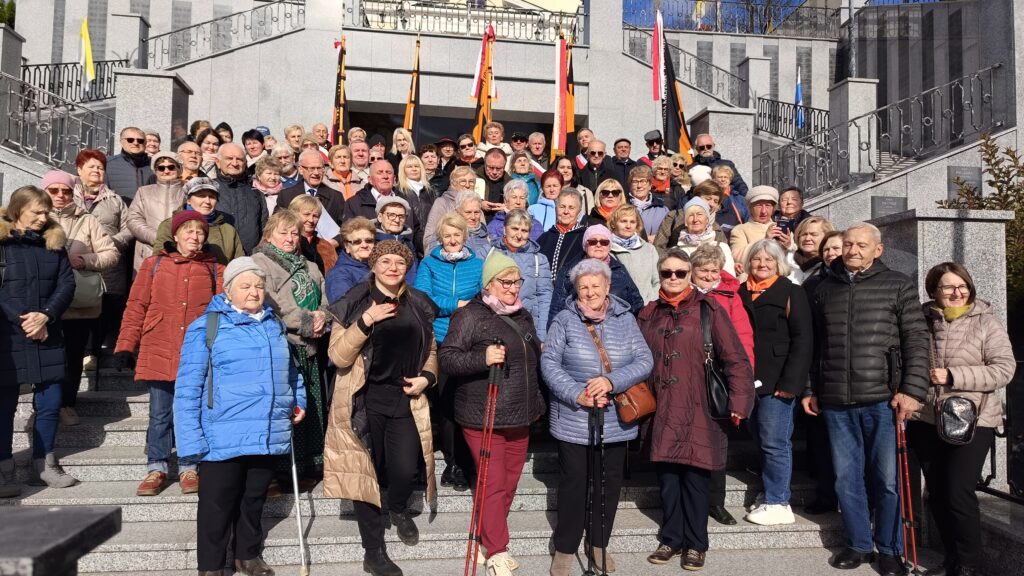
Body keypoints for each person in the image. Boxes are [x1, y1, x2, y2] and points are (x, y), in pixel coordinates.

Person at [803, 223, 929, 575]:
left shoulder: (898, 284)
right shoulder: (823, 288)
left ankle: (890, 549)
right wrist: (811, 389)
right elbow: (815, 345)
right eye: (848, 244)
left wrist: (912, 390)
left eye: (861, 245)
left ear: (878, 250)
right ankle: (859, 544)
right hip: (836, 401)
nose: (853, 250)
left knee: (888, 480)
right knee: (846, 479)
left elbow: (916, 341)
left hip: (884, 400)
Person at [175, 257, 306, 576]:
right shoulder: (207, 326)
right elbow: (187, 387)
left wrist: (297, 401)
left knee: (253, 499)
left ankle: (247, 555)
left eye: (259, 286)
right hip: (223, 433)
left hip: (265, 431)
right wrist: (191, 442)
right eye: (245, 286)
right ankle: (210, 566)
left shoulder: (273, 324)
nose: (254, 291)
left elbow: (290, 372)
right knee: (216, 506)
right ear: (228, 290)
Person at [323, 240, 438, 576]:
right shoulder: (356, 300)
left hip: (404, 398)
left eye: (399, 262)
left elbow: (431, 348)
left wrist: (427, 377)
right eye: (385, 261)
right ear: (373, 265)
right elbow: (338, 356)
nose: (392, 267)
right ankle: (373, 552)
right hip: (363, 400)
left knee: (404, 471)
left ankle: (399, 507)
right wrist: (365, 321)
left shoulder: (417, 303)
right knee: (366, 477)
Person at [638, 247, 755, 570]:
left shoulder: (709, 309)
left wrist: (740, 400)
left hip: (699, 407)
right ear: (659, 275)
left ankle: (696, 543)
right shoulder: (649, 313)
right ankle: (672, 538)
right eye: (667, 273)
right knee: (668, 477)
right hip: (660, 409)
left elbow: (734, 357)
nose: (673, 278)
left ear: (690, 275)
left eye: (680, 273)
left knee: (695, 478)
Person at [542, 258, 654, 576]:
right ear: (576, 290)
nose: (590, 292)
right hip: (574, 417)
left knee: (608, 484)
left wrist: (611, 381)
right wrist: (577, 393)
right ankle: (565, 548)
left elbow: (644, 360)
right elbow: (549, 363)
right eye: (583, 287)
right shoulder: (564, 320)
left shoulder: (625, 319)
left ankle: (598, 543)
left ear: (607, 287)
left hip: (615, 419)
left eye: (596, 286)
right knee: (574, 484)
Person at [438, 252, 546, 576]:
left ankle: (488, 539)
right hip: (484, 413)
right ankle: (498, 551)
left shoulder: (523, 315)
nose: (513, 288)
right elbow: (447, 358)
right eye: (506, 282)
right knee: (493, 482)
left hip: (520, 413)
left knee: (509, 484)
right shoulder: (470, 316)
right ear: (489, 284)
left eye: (517, 282)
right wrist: (482, 358)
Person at [909, 262, 1016, 576]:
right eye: (948, 287)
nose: (956, 292)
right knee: (938, 492)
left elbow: (1004, 369)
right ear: (934, 291)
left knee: (958, 491)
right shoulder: (923, 320)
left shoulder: (986, 322)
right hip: (927, 417)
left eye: (962, 286)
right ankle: (951, 559)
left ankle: (969, 564)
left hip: (972, 419)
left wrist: (953, 375)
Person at [116, 210, 223, 496]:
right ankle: (156, 466)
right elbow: (136, 305)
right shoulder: (154, 264)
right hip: (159, 345)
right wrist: (126, 344)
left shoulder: (215, 269)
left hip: (197, 352)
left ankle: (189, 466)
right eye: (188, 231)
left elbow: (223, 313)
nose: (195, 236)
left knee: (191, 412)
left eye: (199, 232)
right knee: (160, 413)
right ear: (175, 235)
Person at [0, 186, 78, 496]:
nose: (44, 217)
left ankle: (44, 464)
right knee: (4, 406)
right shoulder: (2, 245)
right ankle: (3, 469)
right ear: (18, 210)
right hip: (8, 337)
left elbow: (66, 283)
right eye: (37, 212)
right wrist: (27, 320)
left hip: (48, 331)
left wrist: (46, 316)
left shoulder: (54, 244)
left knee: (50, 402)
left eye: (46, 212)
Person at [737, 239, 813, 526]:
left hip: (778, 380)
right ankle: (771, 491)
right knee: (758, 435)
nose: (762, 264)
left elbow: (803, 340)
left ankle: (778, 501)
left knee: (774, 441)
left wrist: (792, 382)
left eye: (769, 260)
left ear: (779, 263)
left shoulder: (791, 292)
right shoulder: (741, 292)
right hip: (748, 379)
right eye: (756, 259)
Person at [252, 211, 330, 490]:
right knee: (290, 406)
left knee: (313, 404)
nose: (289, 238)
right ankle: (285, 468)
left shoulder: (310, 266)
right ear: (270, 234)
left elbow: (324, 300)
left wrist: (322, 318)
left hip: (312, 345)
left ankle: (312, 461)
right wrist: (308, 321)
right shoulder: (260, 262)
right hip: (284, 345)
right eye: (283, 232)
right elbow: (272, 305)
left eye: (294, 233)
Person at [414, 213, 484, 492]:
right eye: (447, 236)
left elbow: (482, 297)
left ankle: (469, 461)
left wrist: (468, 307)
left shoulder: (478, 264)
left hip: (469, 340)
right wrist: (457, 304)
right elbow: (423, 299)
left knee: (468, 402)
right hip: (441, 338)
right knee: (445, 404)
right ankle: (452, 462)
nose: (453, 240)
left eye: (457, 235)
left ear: (465, 237)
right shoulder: (429, 264)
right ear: (440, 238)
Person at [690, 242, 756, 527]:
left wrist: (745, 377)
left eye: (712, 270)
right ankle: (690, 499)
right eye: (702, 269)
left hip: (717, 374)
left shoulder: (730, 294)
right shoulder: (680, 291)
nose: (707, 274)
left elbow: (743, 337)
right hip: (687, 372)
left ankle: (715, 501)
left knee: (717, 438)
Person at [44, 171, 118, 427]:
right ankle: (43, 408)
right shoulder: (34, 218)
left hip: (78, 303)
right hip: (43, 302)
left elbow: (110, 254)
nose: (60, 196)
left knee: (73, 356)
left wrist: (85, 260)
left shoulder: (87, 221)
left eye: (65, 190)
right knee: (44, 357)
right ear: (44, 192)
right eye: (54, 191)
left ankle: (67, 404)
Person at [799, 229, 843, 517]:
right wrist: (808, 387)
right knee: (822, 442)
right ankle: (826, 495)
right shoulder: (812, 285)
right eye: (827, 249)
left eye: (836, 248)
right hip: (820, 372)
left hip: (855, 376)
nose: (830, 254)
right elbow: (807, 337)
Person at [75, 149, 132, 352]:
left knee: (106, 309)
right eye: (91, 166)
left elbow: (128, 228)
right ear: (79, 169)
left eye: (100, 167)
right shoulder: (67, 196)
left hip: (108, 265)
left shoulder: (114, 200)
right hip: (76, 262)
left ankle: (97, 353)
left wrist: (111, 243)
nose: (97, 170)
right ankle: (81, 352)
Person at [549, 224, 644, 322]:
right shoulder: (568, 271)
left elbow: (637, 305)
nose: (598, 245)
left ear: (609, 246)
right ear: (585, 245)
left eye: (604, 242)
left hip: (615, 330)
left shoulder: (620, 270)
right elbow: (556, 309)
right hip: (578, 330)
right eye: (593, 242)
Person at [488, 209, 553, 340]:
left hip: (526, 327)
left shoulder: (539, 260)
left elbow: (544, 299)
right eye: (515, 228)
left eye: (524, 231)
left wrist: (541, 337)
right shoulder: (487, 253)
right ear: (505, 229)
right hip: (492, 324)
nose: (519, 235)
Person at [154, 177, 245, 265]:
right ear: (188, 200)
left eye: (212, 197)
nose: (207, 201)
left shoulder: (228, 229)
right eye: (201, 196)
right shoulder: (170, 225)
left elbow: (240, 263)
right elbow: (160, 262)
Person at [127, 152, 186, 273]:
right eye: (161, 167)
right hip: (148, 252)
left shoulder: (188, 193)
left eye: (171, 167)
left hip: (181, 252)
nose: (166, 171)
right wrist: (158, 237)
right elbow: (133, 220)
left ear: (179, 169)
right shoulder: (144, 192)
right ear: (155, 170)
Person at [215, 143, 270, 254]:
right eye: (229, 158)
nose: (235, 163)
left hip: (250, 259)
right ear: (218, 162)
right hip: (217, 259)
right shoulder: (209, 191)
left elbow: (264, 228)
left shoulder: (256, 193)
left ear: (245, 163)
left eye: (239, 159)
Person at [277, 149, 347, 231]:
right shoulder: (286, 196)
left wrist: (335, 242)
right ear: (300, 169)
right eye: (312, 168)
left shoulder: (336, 197)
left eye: (320, 168)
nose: (316, 173)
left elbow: (344, 228)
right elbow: (277, 225)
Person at [730, 185, 789, 275]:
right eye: (758, 206)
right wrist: (765, 239)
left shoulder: (781, 227)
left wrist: (788, 246)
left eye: (768, 206)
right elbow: (737, 257)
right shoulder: (740, 230)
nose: (764, 211)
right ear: (750, 208)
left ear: (773, 209)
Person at [669, 197, 736, 274]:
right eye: (690, 215)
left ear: (707, 219)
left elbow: (730, 280)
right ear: (686, 221)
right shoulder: (676, 251)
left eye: (699, 214)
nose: (695, 219)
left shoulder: (722, 247)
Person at [608, 204, 660, 304]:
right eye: (623, 221)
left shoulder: (649, 249)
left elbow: (657, 280)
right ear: (614, 223)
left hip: (647, 307)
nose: (628, 226)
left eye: (632, 222)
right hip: (619, 309)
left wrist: (650, 302)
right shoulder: (607, 249)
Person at [423, 166, 476, 252]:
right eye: (463, 181)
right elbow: (429, 238)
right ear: (453, 183)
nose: (467, 185)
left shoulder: (476, 205)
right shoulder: (442, 203)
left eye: (471, 182)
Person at [537, 188, 586, 278]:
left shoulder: (585, 237)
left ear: (578, 212)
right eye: (562, 207)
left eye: (571, 208)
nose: (566, 212)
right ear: (556, 208)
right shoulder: (544, 238)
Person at [326, 217, 375, 304]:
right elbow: (343, 308)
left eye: (369, 241)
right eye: (357, 242)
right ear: (347, 247)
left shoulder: (378, 266)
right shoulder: (339, 274)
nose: (364, 245)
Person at [373, 196, 418, 283]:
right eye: (391, 215)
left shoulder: (408, 243)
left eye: (401, 216)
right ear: (380, 217)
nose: (397, 220)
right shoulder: (371, 242)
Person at [290, 195, 339, 275]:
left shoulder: (326, 247)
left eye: (315, 216)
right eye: (306, 214)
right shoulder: (287, 243)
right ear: (294, 214)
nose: (311, 220)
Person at [691, 133, 749, 198]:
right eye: (702, 147)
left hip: (728, 200)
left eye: (708, 146)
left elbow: (739, 184)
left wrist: (748, 198)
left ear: (713, 146)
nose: (706, 149)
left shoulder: (727, 164)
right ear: (697, 149)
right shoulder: (691, 168)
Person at [105, 126, 154, 202]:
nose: (135, 143)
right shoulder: (107, 164)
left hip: (149, 212)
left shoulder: (155, 164)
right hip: (121, 212)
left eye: (140, 140)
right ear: (121, 142)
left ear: (145, 143)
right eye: (130, 140)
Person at [396, 155, 432, 253]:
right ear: (403, 170)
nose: (414, 169)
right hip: (408, 241)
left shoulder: (429, 191)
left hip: (428, 240)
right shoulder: (398, 191)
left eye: (417, 166)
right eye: (409, 166)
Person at [627, 164, 669, 240]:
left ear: (650, 185)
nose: (639, 186)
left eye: (643, 181)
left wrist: (657, 238)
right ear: (630, 185)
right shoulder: (623, 207)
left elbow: (668, 234)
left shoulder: (662, 209)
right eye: (635, 181)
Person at [791, 216, 834, 283]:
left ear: (826, 237)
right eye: (804, 234)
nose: (807, 238)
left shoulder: (832, 267)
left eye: (814, 234)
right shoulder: (785, 261)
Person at [711, 165, 751, 232]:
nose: (723, 179)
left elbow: (748, 218)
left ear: (730, 180)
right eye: (720, 177)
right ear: (714, 179)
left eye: (726, 177)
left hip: (740, 233)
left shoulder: (740, 198)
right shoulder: (711, 198)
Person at [455, 191, 492, 261]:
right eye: (468, 212)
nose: (473, 217)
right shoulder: (448, 236)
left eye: (476, 212)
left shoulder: (487, 236)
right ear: (457, 212)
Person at [476, 148, 511, 216]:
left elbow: (522, 206)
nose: (494, 172)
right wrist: (479, 204)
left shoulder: (511, 184)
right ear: (485, 164)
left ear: (504, 166)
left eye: (498, 168)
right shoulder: (473, 178)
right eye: (491, 168)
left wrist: (507, 208)